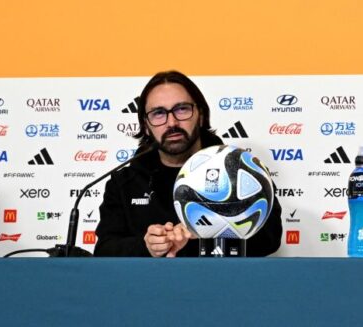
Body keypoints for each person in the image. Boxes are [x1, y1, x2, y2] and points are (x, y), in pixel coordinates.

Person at [95, 70, 282, 257]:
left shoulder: (241, 170)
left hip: (222, 283)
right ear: (145, 124)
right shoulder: (125, 182)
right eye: (158, 113)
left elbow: (270, 239)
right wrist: (147, 246)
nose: (172, 122)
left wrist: (208, 232)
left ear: (200, 114)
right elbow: (104, 249)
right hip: (151, 285)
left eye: (182, 109)